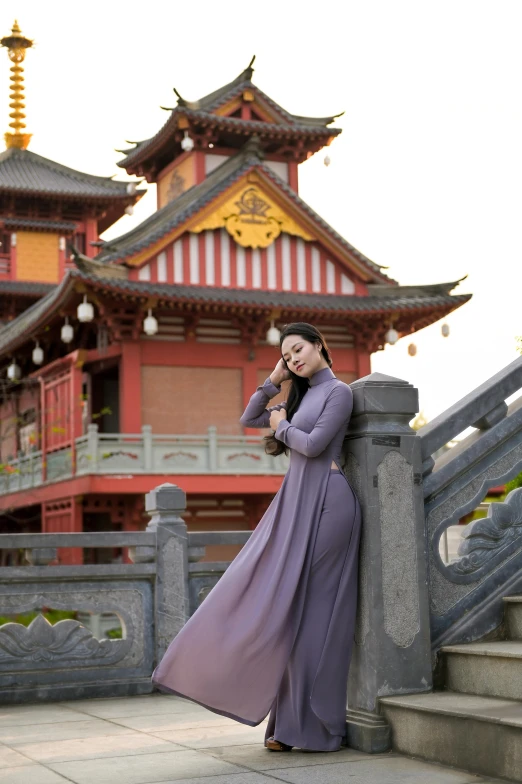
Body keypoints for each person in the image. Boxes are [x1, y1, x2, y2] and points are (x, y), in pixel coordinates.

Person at [152, 322, 361, 753]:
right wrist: (272, 383)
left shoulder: (339, 392)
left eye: (299, 349)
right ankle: (287, 726)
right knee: (280, 607)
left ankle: (314, 726)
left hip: (328, 503)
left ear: (320, 345)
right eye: (286, 355)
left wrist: (283, 425)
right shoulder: (298, 393)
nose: (294, 358)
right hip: (296, 504)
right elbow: (249, 418)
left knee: (312, 616)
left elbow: (316, 445)